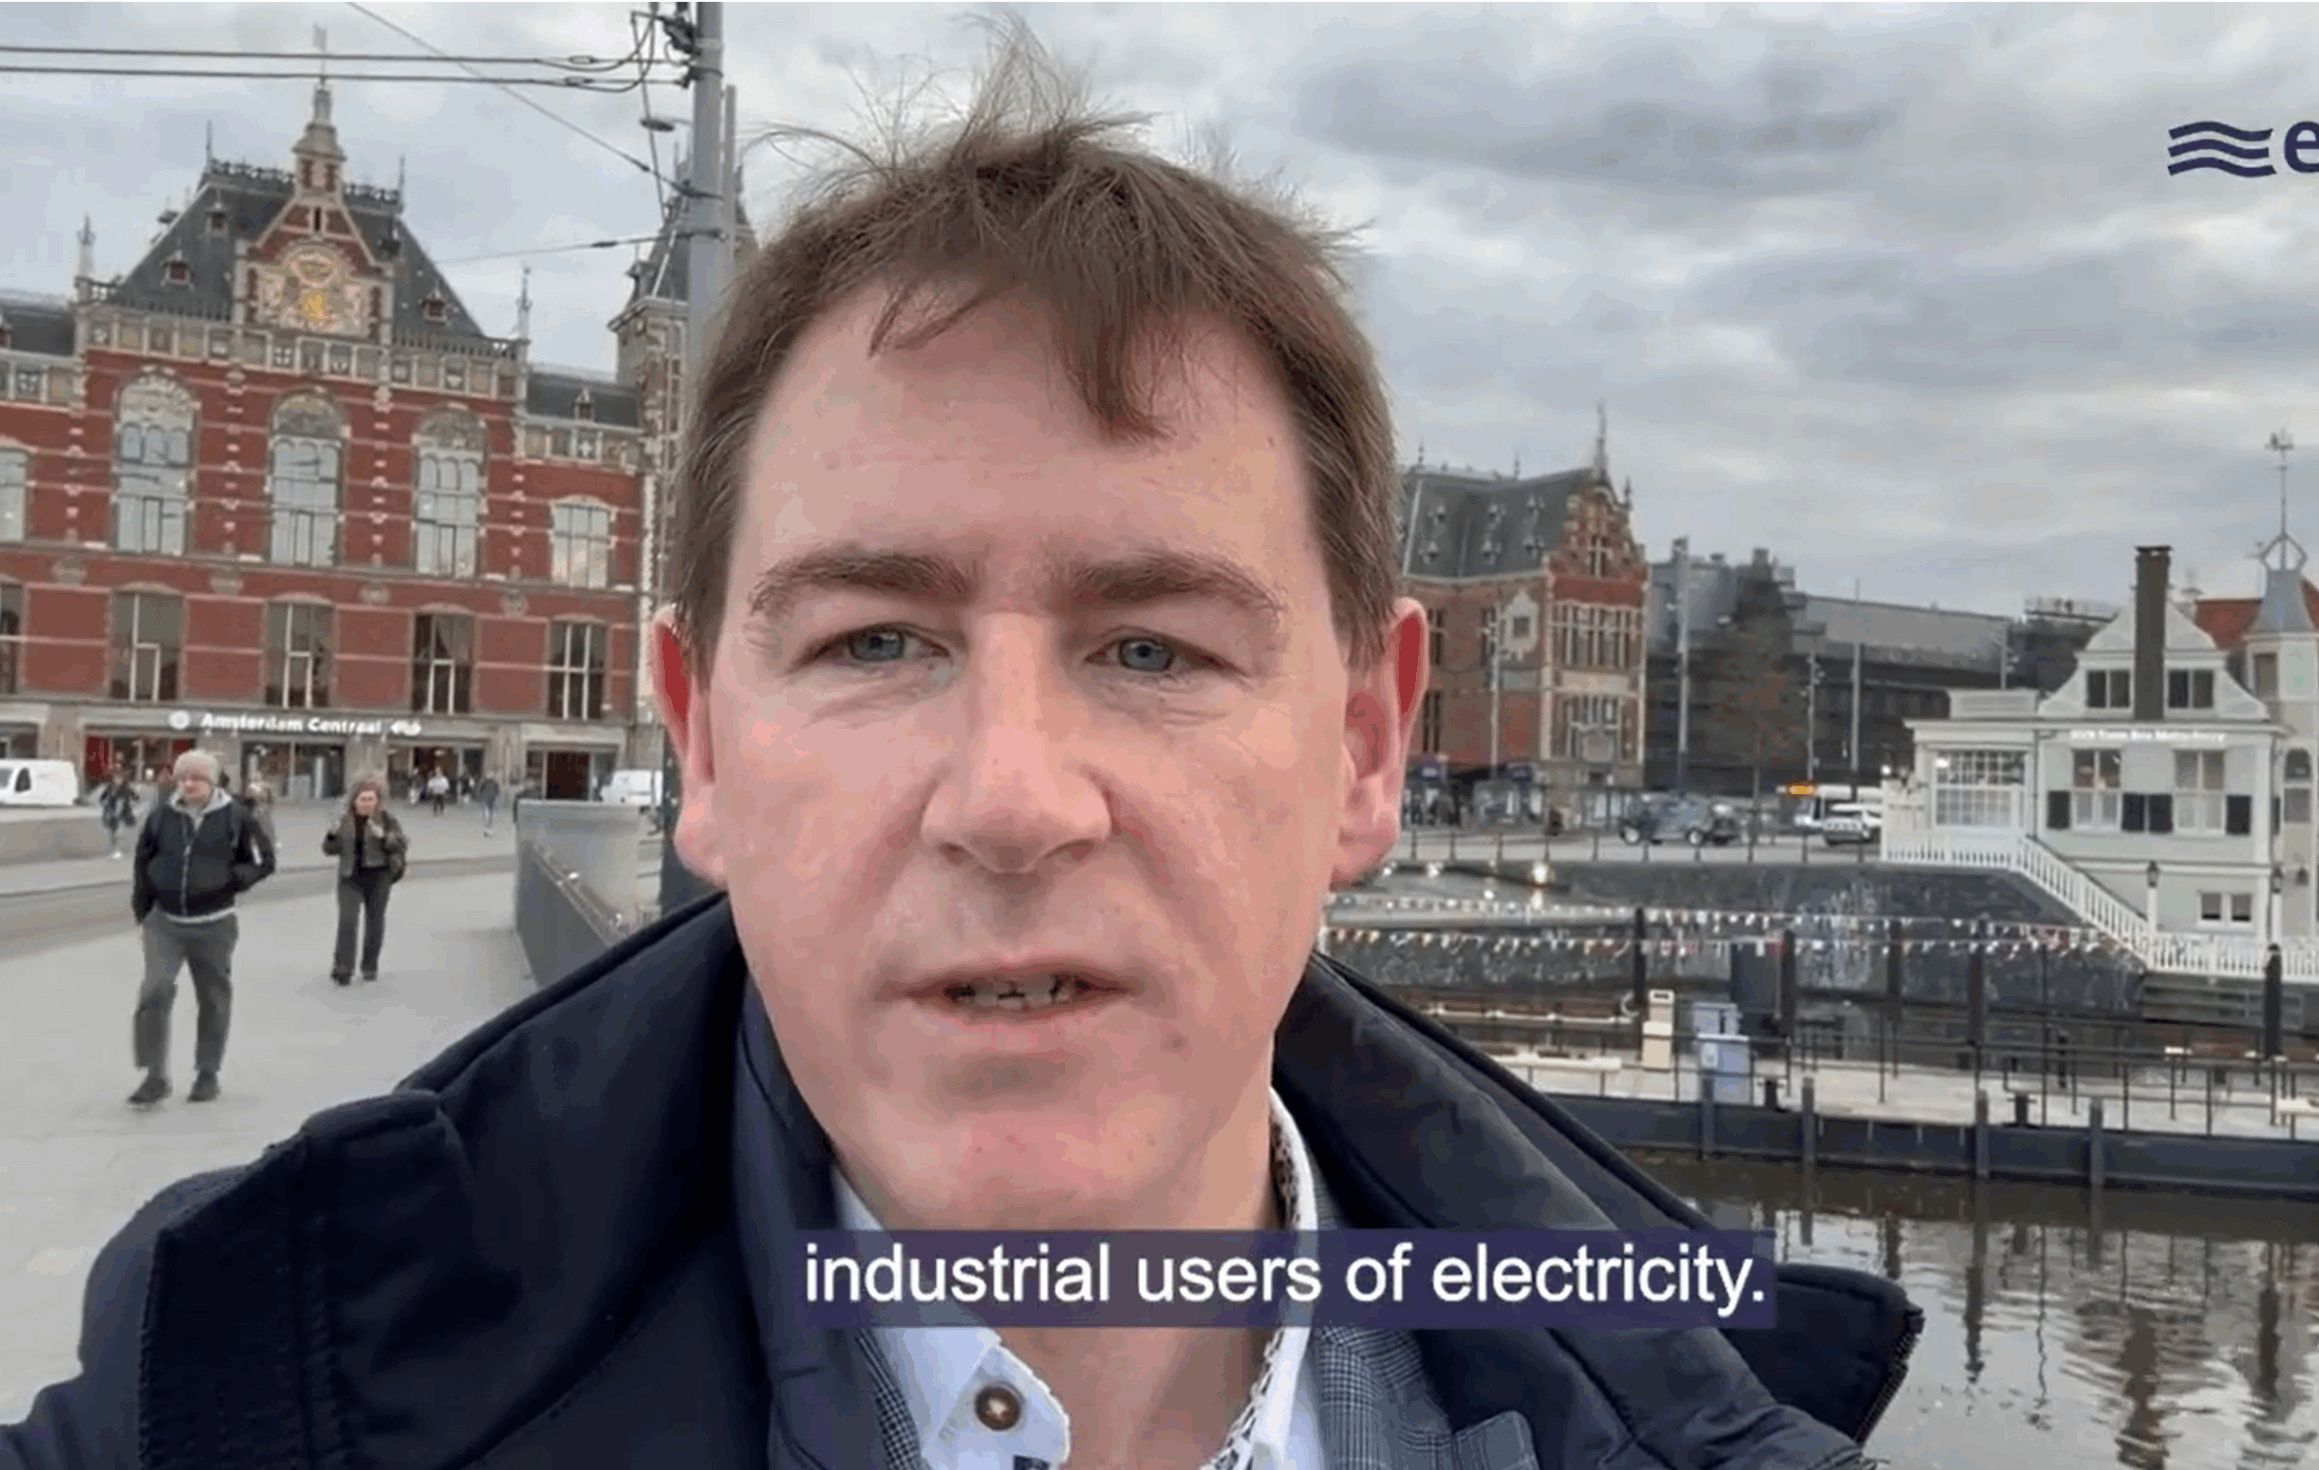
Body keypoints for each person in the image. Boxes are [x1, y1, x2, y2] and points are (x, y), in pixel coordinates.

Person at [1, 24, 1916, 1469]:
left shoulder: (1720, 1408)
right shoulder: (242, 1396)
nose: (1010, 797)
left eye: (1152, 647)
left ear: (1363, 747)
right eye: (876, 640)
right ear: (701, 743)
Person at [121, 748, 274, 1108]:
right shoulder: (161, 817)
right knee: (154, 991)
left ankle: (208, 1073)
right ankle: (155, 1076)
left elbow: (264, 861)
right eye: (183, 778)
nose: (188, 784)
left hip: (214, 924)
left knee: (213, 998)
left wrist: (232, 880)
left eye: (196, 778)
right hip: (165, 924)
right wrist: (142, 910)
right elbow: (142, 864)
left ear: (212, 781)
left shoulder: (237, 817)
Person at [320, 777, 407, 985]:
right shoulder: (344, 820)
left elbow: (402, 843)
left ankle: (369, 966)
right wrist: (331, 835)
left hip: (378, 876)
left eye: (371, 799)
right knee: (347, 921)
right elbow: (329, 850)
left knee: (375, 922)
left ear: (377, 801)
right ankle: (343, 968)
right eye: (363, 799)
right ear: (354, 801)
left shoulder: (386, 819)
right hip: (349, 876)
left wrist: (384, 836)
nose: (367, 803)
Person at [477, 771, 503, 836]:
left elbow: (480, 789)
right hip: (488, 799)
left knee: (488, 814)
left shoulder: (486, 782)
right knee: (488, 814)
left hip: (487, 799)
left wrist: (480, 795)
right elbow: (498, 791)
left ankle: (488, 828)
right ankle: (488, 828)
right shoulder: (493, 782)